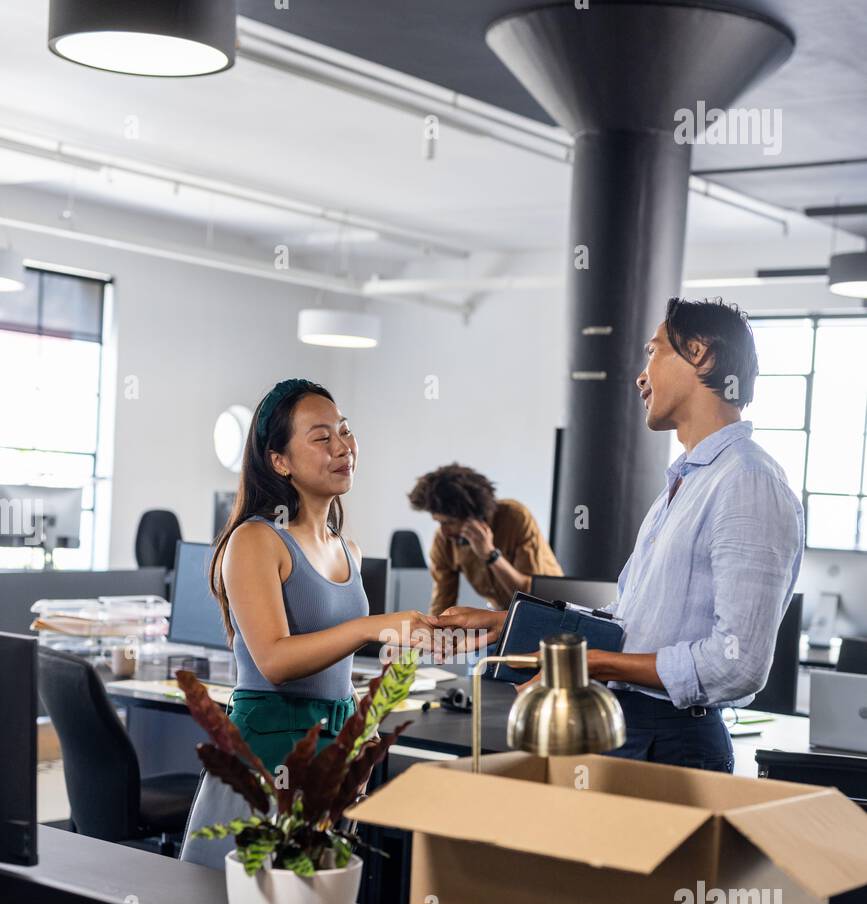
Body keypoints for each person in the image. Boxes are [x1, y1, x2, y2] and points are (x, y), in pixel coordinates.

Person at [435, 299, 804, 773]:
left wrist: (592, 663)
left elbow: (737, 665)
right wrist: (512, 625)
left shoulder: (748, 482)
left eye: (654, 352)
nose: (641, 376)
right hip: (627, 728)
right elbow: (626, 624)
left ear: (700, 354)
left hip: (673, 740)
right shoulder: (687, 483)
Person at [180, 377, 433, 868]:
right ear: (280, 461)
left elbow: (330, 673)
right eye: (321, 438)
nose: (343, 447)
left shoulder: (347, 548)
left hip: (329, 748)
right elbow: (274, 660)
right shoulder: (256, 541)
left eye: (345, 431)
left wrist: (359, 726)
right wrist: (370, 627)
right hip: (270, 745)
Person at [407, 462, 562, 615]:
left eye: (450, 523)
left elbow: (532, 598)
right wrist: (433, 635)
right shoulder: (443, 541)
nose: (444, 531)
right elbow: (442, 603)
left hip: (554, 610)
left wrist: (491, 556)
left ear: (475, 517)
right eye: (439, 522)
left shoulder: (514, 518)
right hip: (505, 615)